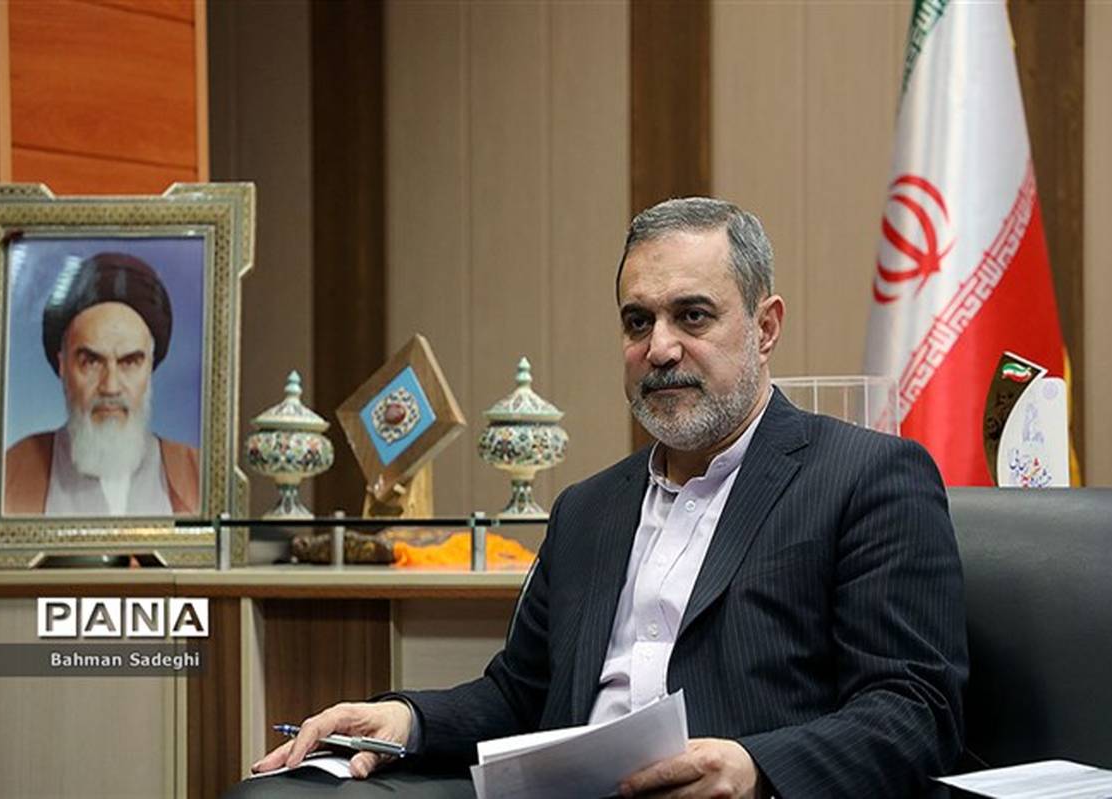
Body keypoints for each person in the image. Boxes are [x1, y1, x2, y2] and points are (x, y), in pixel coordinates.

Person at [236, 198, 968, 798]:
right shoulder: (589, 508)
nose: (660, 348)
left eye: (693, 315)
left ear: (766, 327)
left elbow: (916, 712)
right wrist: (405, 719)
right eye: (637, 321)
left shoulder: (868, 477)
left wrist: (756, 769)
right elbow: (521, 695)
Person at [3, 252, 199, 516]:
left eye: (129, 362)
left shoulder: (196, 474)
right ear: (62, 365)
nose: (111, 387)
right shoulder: (12, 474)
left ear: (150, 367)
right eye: (92, 362)